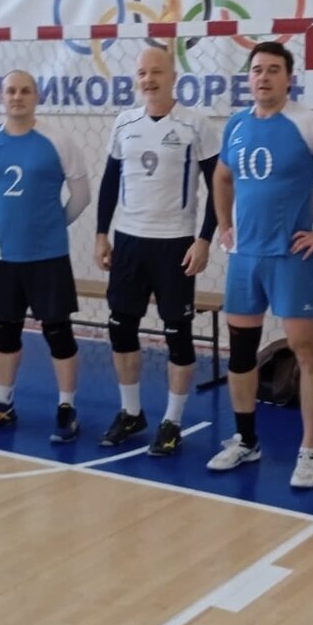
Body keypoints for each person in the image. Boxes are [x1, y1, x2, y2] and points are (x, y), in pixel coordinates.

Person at [208, 41, 313, 488]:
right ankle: (246, 441)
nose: (263, 77)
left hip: (290, 259)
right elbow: (222, 177)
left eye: (273, 69)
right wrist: (224, 225)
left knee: (306, 351)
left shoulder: (310, 123)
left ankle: (309, 452)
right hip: (245, 259)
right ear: (248, 78)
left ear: (289, 78)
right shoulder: (237, 124)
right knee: (241, 352)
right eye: (257, 70)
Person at [94, 46, 220, 455]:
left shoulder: (196, 124)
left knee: (177, 334)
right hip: (129, 240)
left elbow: (219, 188)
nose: (148, 79)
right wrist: (101, 234)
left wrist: (204, 239)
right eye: (142, 73)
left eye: (157, 72)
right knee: (121, 328)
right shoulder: (124, 122)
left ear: (173, 77)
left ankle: (172, 421)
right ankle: (131, 412)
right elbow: (109, 181)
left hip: (175, 243)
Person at [0, 70, 91, 442]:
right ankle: (3, 404)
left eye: (25, 91)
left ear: (36, 96)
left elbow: (81, 196)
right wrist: (10, 222)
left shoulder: (57, 140)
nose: (17, 97)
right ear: (1, 97)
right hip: (5, 256)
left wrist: (52, 226)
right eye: (11, 91)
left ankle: (66, 408)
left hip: (49, 256)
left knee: (58, 332)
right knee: (4, 331)